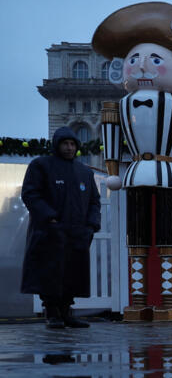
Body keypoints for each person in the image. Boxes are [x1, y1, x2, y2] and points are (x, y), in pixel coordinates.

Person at [93, 0, 172, 322]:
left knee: (168, 238)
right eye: (135, 59)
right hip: (135, 172)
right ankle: (137, 301)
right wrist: (112, 169)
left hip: (168, 173)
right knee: (135, 240)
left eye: (154, 59)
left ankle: (168, 300)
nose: (143, 66)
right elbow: (110, 135)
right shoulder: (120, 106)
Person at [21, 127, 101, 329]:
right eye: (65, 143)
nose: (69, 147)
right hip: (50, 233)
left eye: (73, 144)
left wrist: (91, 226)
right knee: (50, 274)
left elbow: (94, 201)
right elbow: (31, 194)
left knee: (74, 274)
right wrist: (50, 219)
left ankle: (66, 313)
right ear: (56, 145)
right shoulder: (41, 165)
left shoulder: (84, 171)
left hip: (77, 234)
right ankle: (52, 313)